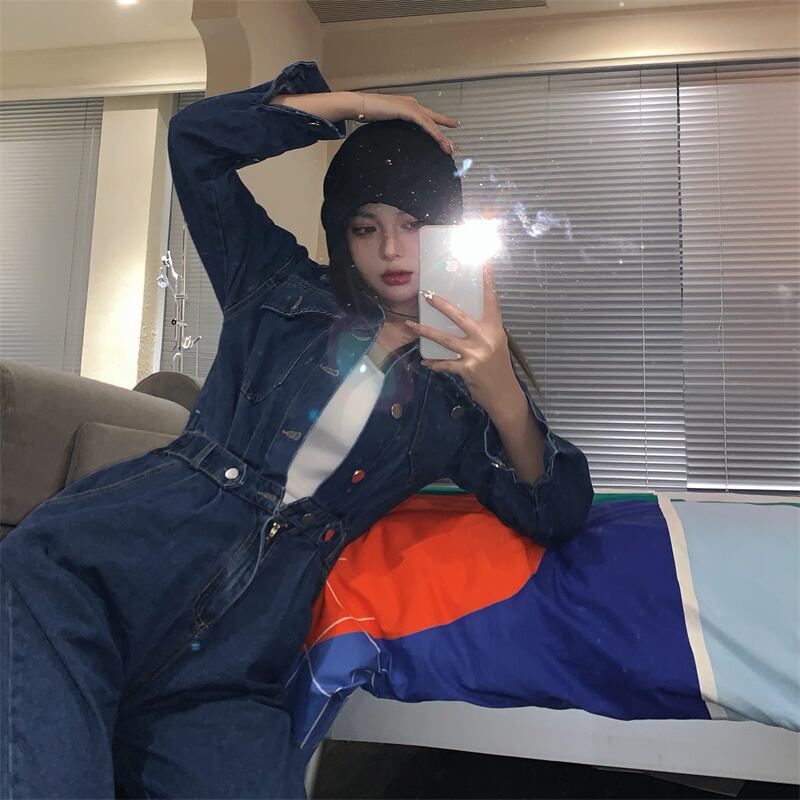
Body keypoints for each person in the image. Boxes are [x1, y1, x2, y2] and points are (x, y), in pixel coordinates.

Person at [0, 60, 593, 799]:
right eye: (366, 226)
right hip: (94, 573)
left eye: (413, 225)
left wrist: (503, 392)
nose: (391, 250)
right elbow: (196, 141)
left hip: (236, 661)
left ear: (446, 232)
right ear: (341, 234)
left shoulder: (452, 397)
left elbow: (555, 511)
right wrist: (359, 103)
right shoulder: (275, 286)